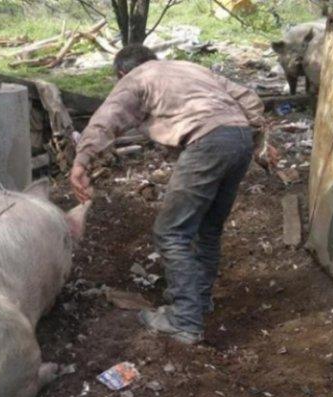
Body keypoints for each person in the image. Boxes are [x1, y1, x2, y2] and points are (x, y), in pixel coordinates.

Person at [70, 45, 276, 345]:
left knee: (171, 232)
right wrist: (259, 138)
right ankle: (199, 300)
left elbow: (108, 117)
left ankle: (185, 320)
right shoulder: (190, 68)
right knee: (208, 227)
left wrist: (82, 159)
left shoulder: (137, 77)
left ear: (121, 73)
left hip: (207, 141)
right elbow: (247, 97)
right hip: (239, 138)